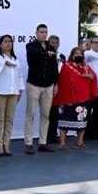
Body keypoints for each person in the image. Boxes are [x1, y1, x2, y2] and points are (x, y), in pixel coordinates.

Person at [53, 46, 98, 150]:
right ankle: (63, 143)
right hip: (68, 98)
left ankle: (79, 141)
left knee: (82, 121)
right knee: (65, 120)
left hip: (83, 98)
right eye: (76, 53)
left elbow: (93, 77)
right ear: (72, 55)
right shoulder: (66, 66)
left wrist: (88, 76)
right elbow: (63, 81)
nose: (79, 55)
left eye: (81, 54)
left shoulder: (86, 67)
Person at [24, 23, 59, 154]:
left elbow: (54, 67)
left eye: (45, 32)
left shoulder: (51, 47)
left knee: (45, 115)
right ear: (36, 33)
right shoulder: (31, 46)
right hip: (34, 83)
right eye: (41, 32)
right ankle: (28, 142)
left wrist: (56, 83)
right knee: (30, 114)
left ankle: (42, 142)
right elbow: (33, 53)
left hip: (48, 84)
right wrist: (46, 52)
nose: (44, 34)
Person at [0, 35, 22, 156]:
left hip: (13, 92)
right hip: (0, 91)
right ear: (0, 44)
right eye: (5, 41)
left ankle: (6, 144)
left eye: (10, 42)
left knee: (9, 119)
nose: (8, 44)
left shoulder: (16, 59)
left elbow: (20, 76)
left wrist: (20, 91)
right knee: (0, 119)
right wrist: (6, 62)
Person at [83, 35, 98, 140]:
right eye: (95, 42)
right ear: (91, 43)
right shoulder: (87, 53)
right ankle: (85, 133)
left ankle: (95, 132)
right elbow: (86, 60)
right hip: (90, 86)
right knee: (87, 110)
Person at [44, 34, 64, 146]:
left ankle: (53, 135)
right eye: (52, 43)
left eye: (56, 43)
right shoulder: (44, 54)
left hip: (59, 87)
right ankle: (45, 135)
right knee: (47, 112)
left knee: (56, 112)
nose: (54, 45)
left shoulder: (62, 56)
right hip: (47, 86)